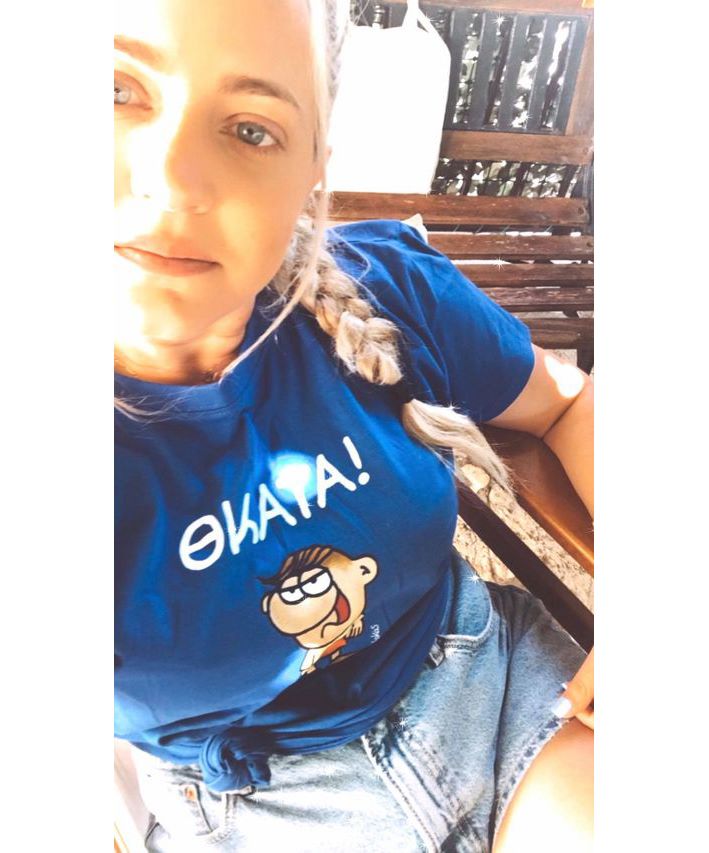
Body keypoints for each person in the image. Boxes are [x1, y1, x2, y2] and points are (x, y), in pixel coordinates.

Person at [114, 1, 594, 850]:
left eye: (251, 129)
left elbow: (567, 401)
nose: (176, 179)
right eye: (114, 91)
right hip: (251, 806)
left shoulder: (388, 291)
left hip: (498, 693)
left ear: (312, 169)